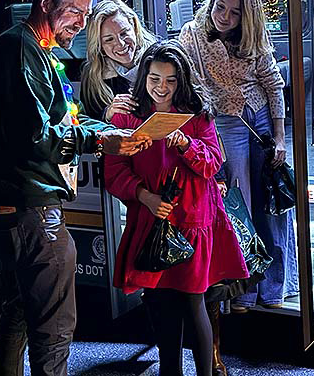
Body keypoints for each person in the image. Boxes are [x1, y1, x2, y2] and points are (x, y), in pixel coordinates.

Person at [0, 0, 151, 376]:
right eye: (73, 12)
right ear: (46, 3)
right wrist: (101, 141)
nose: (80, 23)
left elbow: (63, 120)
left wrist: (105, 130)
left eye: (85, 15)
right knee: (54, 326)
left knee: (23, 305)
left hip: (19, 204)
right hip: (30, 207)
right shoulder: (21, 51)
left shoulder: (37, 48)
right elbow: (36, 136)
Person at [104, 42, 249, 376]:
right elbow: (114, 172)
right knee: (159, 302)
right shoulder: (126, 117)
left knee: (193, 300)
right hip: (151, 220)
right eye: (155, 78)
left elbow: (212, 164)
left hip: (193, 220)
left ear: (181, 81)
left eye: (170, 80)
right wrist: (144, 196)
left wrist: (185, 144)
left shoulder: (197, 115)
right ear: (144, 77)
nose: (162, 87)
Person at [178, 0, 299, 312]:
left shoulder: (253, 37)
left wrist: (280, 137)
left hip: (259, 115)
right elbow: (187, 80)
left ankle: (276, 286)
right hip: (223, 121)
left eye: (234, 13)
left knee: (270, 202)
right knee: (238, 203)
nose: (225, 17)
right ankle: (244, 289)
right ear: (211, 3)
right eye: (220, 7)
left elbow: (274, 85)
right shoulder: (192, 34)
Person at [81, 0, 158, 122]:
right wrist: (108, 113)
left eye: (124, 33)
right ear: (99, 45)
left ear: (134, 26)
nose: (121, 44)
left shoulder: (160, 58)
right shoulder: (93, 75)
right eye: (109, 39)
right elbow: (87, 121)